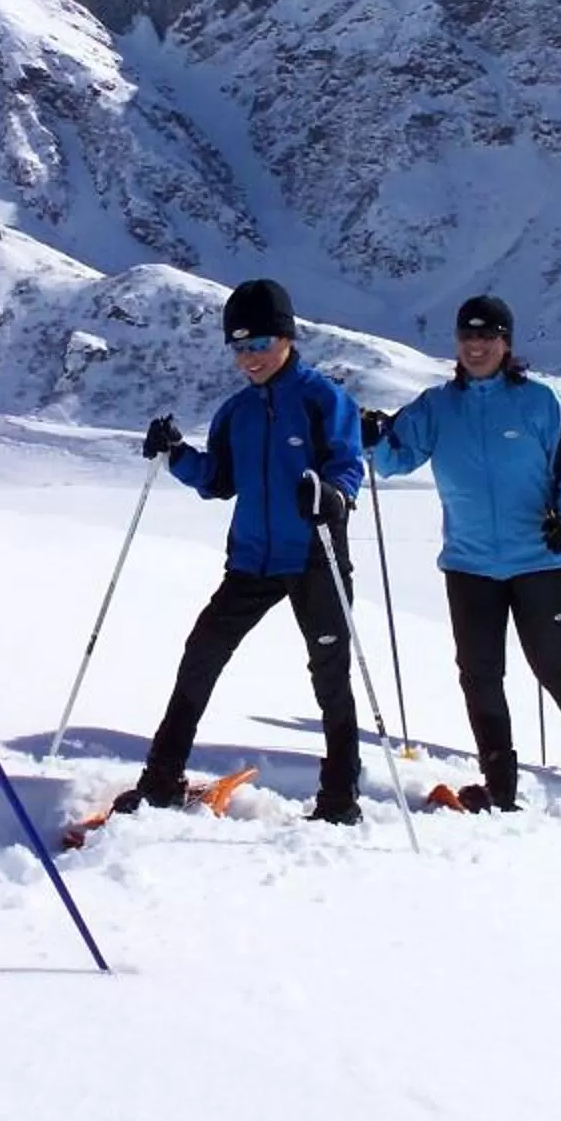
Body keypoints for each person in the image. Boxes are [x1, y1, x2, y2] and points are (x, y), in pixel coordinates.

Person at [363, 295, 561, 810]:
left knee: (556, 668)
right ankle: (499, 785)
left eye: (488, 337)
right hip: (469, 565)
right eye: (468, 337)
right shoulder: (437, 406)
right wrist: (370, 436)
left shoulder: (538, 401)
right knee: (480, 675)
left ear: (506, 343)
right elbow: (395, 461)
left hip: (539, 560)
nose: (477, 346)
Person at [122, 279, 369, 825]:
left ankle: (339, 797)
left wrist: (332, 496)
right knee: (200, 657)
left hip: (313, 557)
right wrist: (176, 454)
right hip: (252, 561)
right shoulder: (238, 412)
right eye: (238, 347)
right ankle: (160, 780)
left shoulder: (322, 398)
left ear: (286, 337)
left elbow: (348, 466)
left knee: (330, 676)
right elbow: (218, 480)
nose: (249, 358)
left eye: (258, 344)